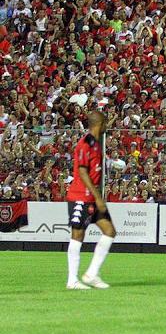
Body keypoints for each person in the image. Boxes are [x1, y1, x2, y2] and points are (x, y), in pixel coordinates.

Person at [65, 111, 116, 290]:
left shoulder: (96, 144)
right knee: (78, 234)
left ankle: (91, 274)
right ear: (99, 124)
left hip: (93, 197)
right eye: (106, 123)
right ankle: (72, 280)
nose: (107, 126)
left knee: (109, 231)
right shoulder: (85, 144)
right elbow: (82, 172)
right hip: (81, 196)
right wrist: (97, 197)